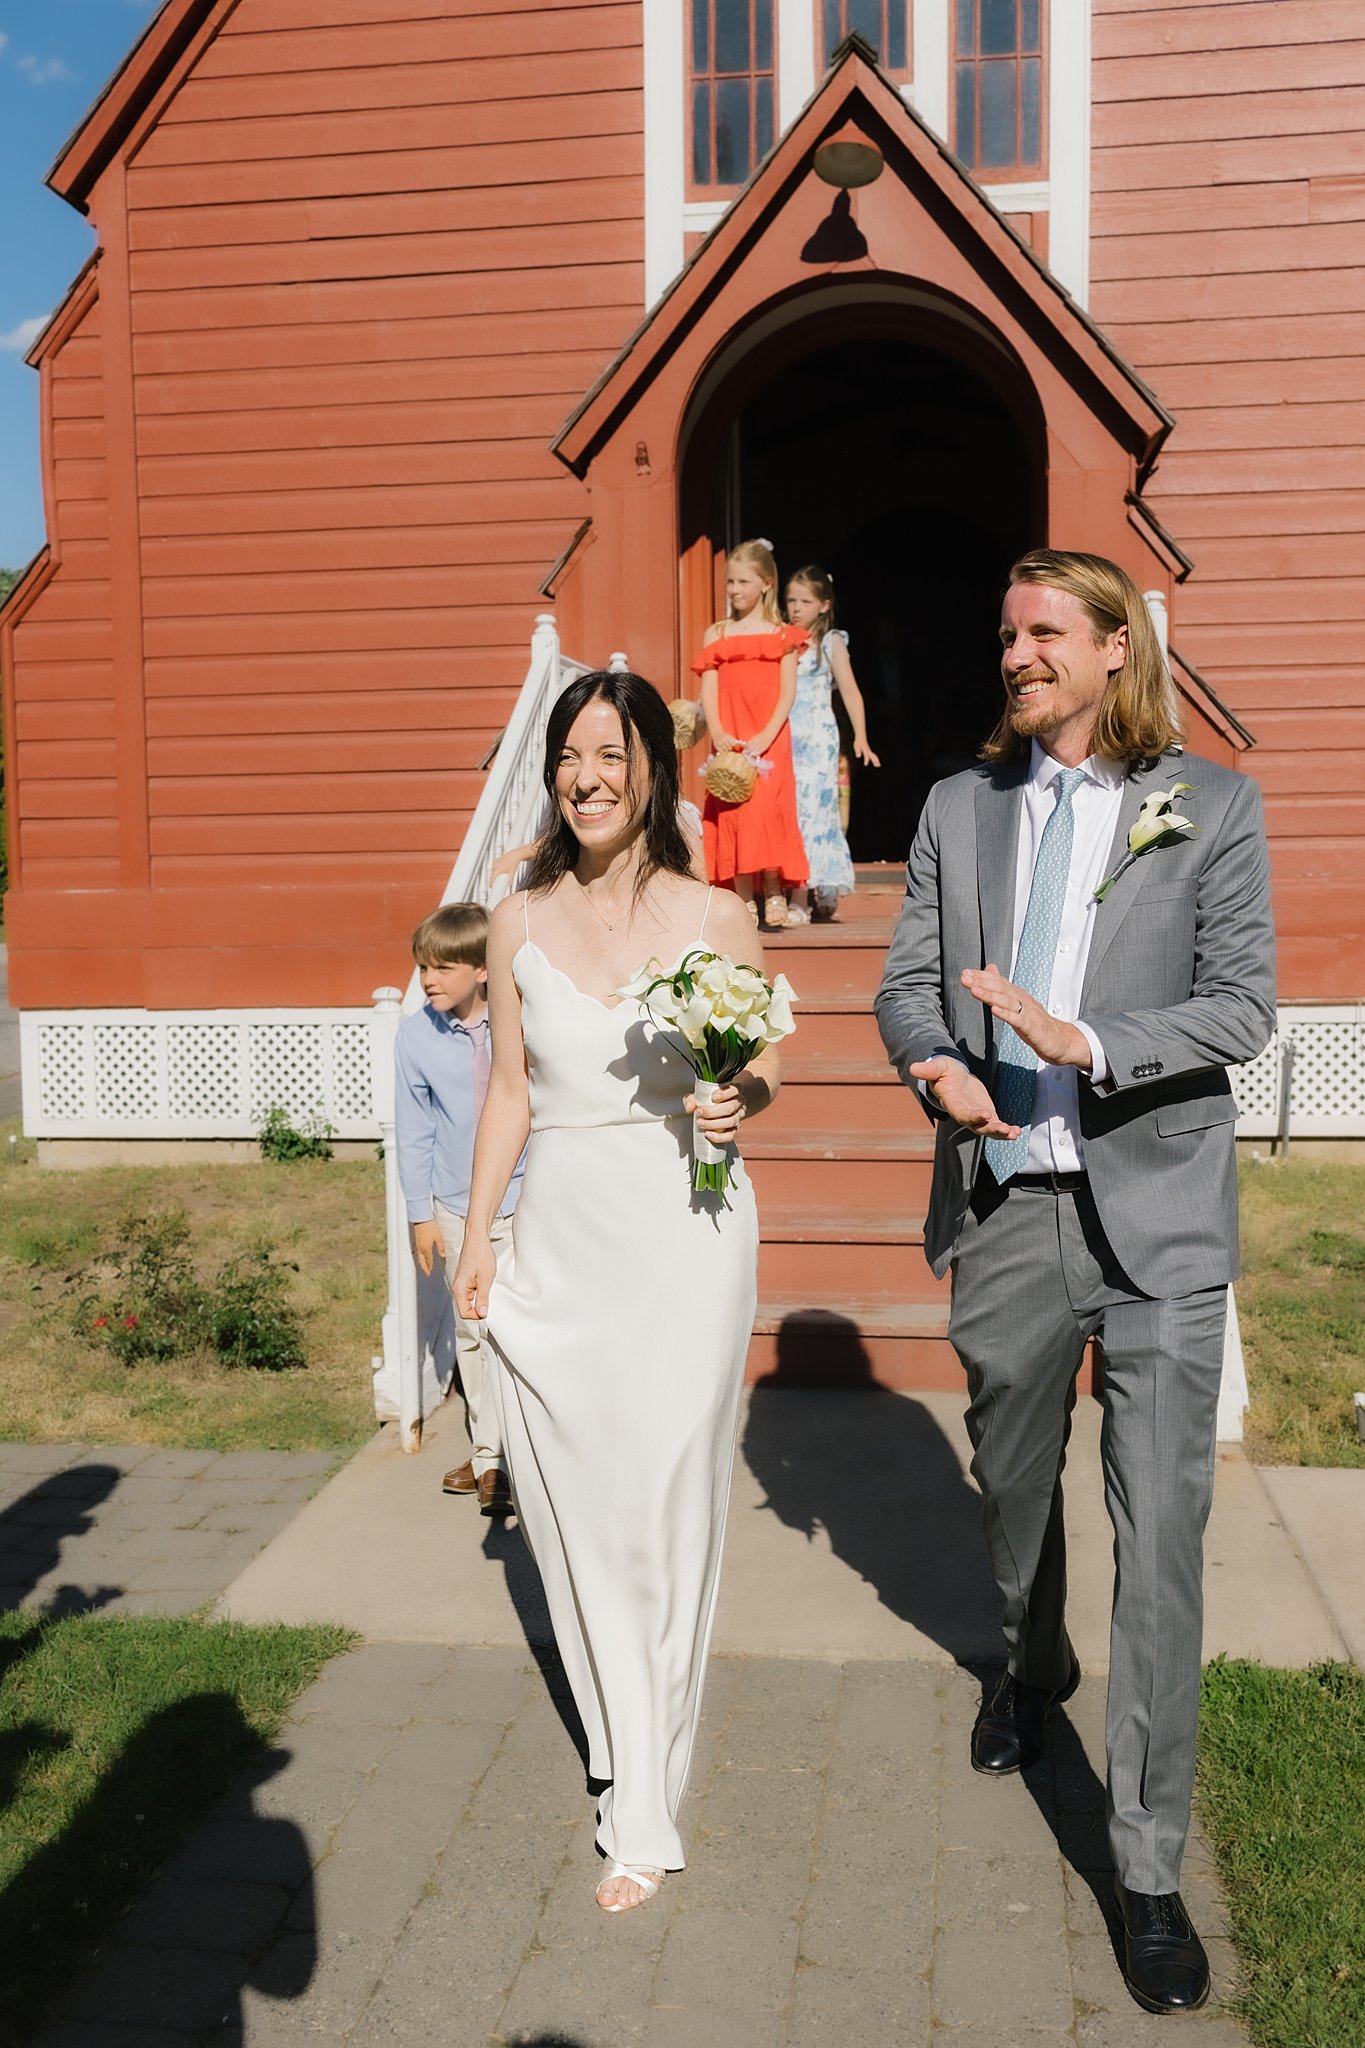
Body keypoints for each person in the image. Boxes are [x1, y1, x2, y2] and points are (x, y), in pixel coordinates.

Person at [874, 549, 1275, 2018]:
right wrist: (934, 1062)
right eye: (1005, 633)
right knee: (1009, 1479)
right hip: (1005, 1209)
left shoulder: (1210, 806)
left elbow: (1242, 1005)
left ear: (1118, 647)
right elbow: (908, 981)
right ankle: (1025, 1658)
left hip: (1157, 1220)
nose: (1016, 652)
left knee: (1159, 1538)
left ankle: (1149, 1868)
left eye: (1043, 631)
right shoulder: (955, 809)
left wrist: (1084, 1039)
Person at [452, 669, 781, 1914]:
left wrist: (735, 1095)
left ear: (653, 765)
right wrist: (480, 1233)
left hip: (687, 1230)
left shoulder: (715, 913)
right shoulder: (515, 918)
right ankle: (621, 1731)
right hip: (565, 1235)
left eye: (611, 752)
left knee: (666, 1504)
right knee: (571, 1503)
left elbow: (763, 1074)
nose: (587, 776)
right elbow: (510, 1095)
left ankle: (644, 1795)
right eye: (569, 755)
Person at [394, 903, 524, 1513]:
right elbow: (414, 1128)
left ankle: (538, 1458)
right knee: (473, 1331)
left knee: (524, 1330)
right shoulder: (417, 1035)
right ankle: (489, 1459)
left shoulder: (520, 1022)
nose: (428, 980)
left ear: (483, 969)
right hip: (454, 1202)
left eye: (443, 967)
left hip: (529, 1199)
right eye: (423, 967)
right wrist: (421, 1213)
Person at [693, 538, 809, 928]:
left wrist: (767, 734)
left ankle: (773, 884)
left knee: (767, 809)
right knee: (735, 809)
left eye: (742, 582)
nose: (734, 590)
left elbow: (788, 692)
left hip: (769, 736)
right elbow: (709, 689)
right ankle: (743, 897)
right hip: (731, 734)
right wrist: (721, 732)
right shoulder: (717, 634)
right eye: (730, 582)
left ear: (765, 583)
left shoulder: (782, 635)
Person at [784, 564, 880, 922]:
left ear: (823, 605)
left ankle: (804, 895)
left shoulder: (830, 641)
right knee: (790, 812)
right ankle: (800, 888)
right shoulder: (781, 637)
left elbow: (851, 692)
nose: (796, 608)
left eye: (805, 601)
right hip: (786, 736)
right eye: (791, 600)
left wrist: (861, 736)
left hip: (817, 738)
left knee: (815, 812)